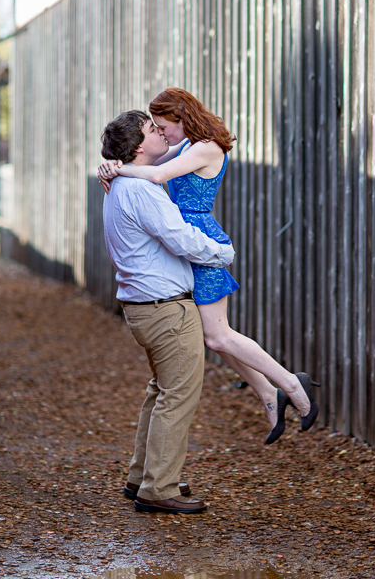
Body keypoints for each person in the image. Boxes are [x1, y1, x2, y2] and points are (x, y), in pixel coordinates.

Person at [98, 88, 319, 444]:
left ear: (181, 119)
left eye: (163, 125)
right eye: (155, 127)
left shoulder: (206, 147)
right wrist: (109, 164)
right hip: (179, 234)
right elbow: (145, 159)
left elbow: (153, 175)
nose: (161, 132)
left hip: (196, 237)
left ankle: (293, 385)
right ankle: (267, 394)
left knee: (218, 334)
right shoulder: (185, 145)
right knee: (212, 337)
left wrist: (117, 169)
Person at [101, 109, 236, 515]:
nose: (161, 133)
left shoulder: (121, 184)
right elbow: (180, 238)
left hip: (144, 306)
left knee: (160, 390)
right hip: (164, 309)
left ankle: (143, 475)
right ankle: (158, 488)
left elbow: (177, 154)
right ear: (141, 146)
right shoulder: (139, 190)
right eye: (152, 129)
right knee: (178, 395)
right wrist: (222, 253)